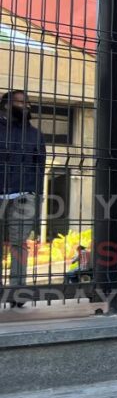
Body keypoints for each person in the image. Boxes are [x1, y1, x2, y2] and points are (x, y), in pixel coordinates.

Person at [0, 90, 45, 297]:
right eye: (20, 102)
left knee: (19, 244)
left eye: (27, 103)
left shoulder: (35, 134)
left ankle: (17, 291)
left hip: (25, 195)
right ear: (6, 105)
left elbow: (40, 166)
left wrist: (38, 194)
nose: (26, 106)